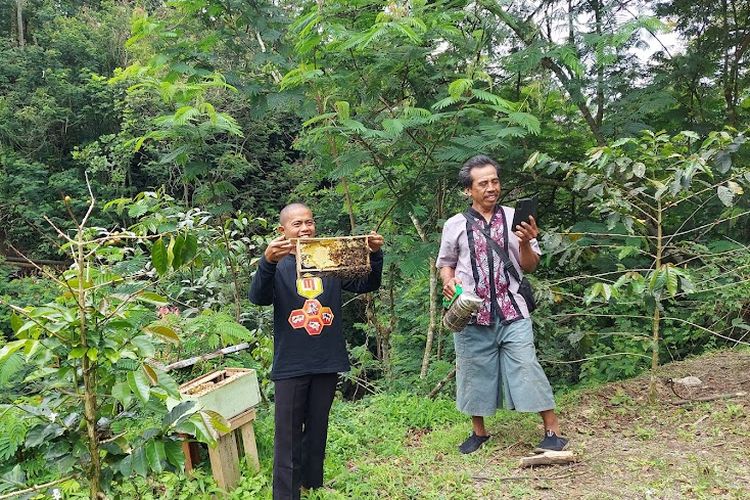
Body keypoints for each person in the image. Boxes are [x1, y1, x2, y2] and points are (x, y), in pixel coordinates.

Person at [248, 203, 384, 500]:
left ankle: (312, 484)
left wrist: (374, 254)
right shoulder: (278, 264)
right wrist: (267, 262)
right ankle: (286, 494)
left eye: (309, 222)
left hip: (326, 357)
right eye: (297, 224)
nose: (305, 228)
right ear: (282, 230)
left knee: (318, 426)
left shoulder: (328, 258)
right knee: (287, 435)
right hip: (291, 362)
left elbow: (367, 283)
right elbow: (257, 297)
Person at [436, 155, 567, 455]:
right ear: (469, 190)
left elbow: (530, 265)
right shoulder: (454, 225)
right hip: (470, 313)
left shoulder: (513, 218)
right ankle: (479, 433)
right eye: (483, 183)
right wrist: (448, 281)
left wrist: (524, 242)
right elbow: (446, 264)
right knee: (472, 370)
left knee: (527, 365)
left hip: (513, 309)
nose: (491, 187)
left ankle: (552, 430)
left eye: (495, 181)